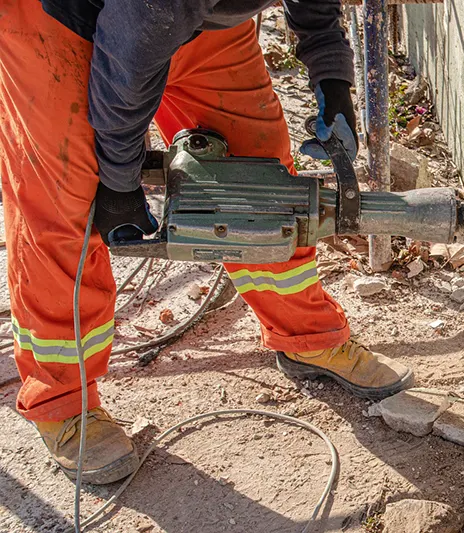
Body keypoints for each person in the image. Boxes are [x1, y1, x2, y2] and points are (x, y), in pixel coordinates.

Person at [0, 0, 413, 486]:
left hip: (192, 20)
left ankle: (306, 336)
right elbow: (129, 61)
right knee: (66, 208)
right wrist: (119, 179)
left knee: (263, 179)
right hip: (63, 23)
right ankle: (61, 400)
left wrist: (330, 72)